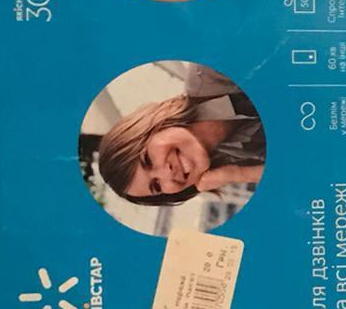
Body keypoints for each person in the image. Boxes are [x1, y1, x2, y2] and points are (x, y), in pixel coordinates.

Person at [96, 65, 266, 206]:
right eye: (157, 185)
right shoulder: (240, 158)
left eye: (148, 160)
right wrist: (237, 174)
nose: (167, 174)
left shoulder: (210, 70)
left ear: (151, 127)